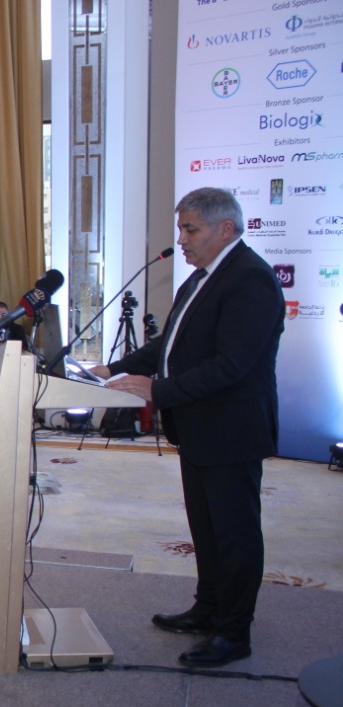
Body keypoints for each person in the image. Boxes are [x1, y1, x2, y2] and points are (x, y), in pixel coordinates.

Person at [92, 187, 283, 669]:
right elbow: (168, 347)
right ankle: (208, 608)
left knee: (235, 533)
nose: (181, 239)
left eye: (190, 229)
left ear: (226, 228)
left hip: (232, 429)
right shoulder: (199, 279)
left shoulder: (251, 279)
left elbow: (231, 365)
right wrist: (111, 369)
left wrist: (157, 390)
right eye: (181, 229)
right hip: (199, 428)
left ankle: (234, 631)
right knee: (207, 527)